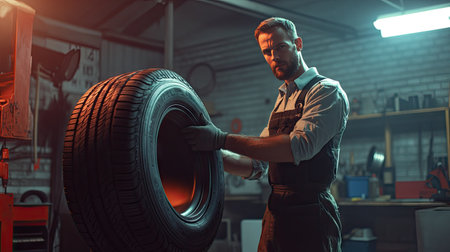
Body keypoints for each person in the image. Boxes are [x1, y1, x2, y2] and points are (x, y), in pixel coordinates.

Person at [183, 17, 349, 252]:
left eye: (280, 47)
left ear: (298, 44)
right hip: (276, 212)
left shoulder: (326, 91)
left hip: (311, 212)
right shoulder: (282, 100)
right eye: (267, 52)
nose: (274, 57)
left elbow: (297, 147)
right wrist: (209, 156)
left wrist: (221, 138)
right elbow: (255, 164)